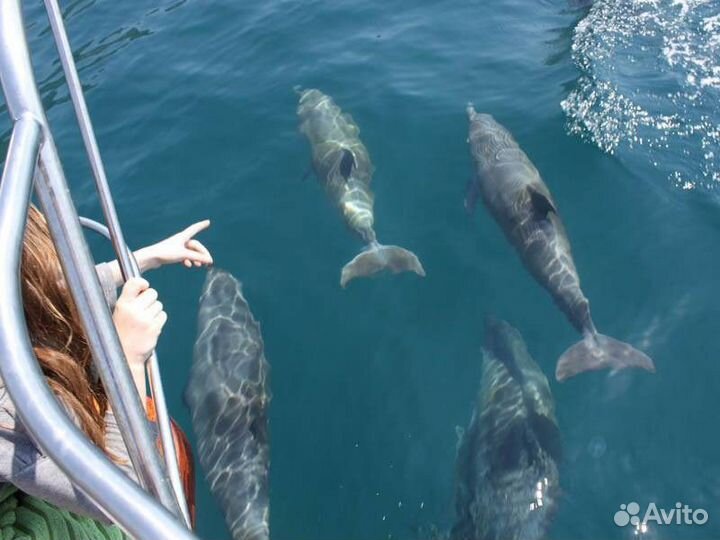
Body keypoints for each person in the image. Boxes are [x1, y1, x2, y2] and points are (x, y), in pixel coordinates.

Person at [0, 205, 212, 537]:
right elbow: (122, 496)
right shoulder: (6, 413)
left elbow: (51, 290)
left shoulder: (17, 319)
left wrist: (146, 258)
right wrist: (127, 361)